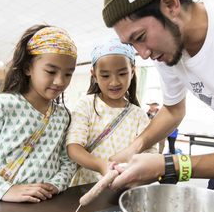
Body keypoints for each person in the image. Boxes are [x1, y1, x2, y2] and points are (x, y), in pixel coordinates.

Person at [101, 0, 214, 194]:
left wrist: (168, 165)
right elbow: (173, 110)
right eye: (132, 44)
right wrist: (134, 147)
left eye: (141, 36)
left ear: (171, 5)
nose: (143, 54)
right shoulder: (167, 48)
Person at [0, 24, 77, 203]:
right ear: (27, 68)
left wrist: (56, 184)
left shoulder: (63, 116)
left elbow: (68, 160)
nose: (60, 81)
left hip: (47, 204)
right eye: (51, 71)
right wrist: (5, 190)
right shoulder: (3, 105)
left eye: (68, 74)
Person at [66, 38, 157, 186]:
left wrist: (131, 172)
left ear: (132, 72)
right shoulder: (86, 105)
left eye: (122, 73)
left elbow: (150, 153)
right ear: (94, 75)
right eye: (105, 76)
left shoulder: (138, 115)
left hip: (124, 188)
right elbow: (73, 147)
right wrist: (102, 166)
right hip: (85, 187)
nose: (114, 82)